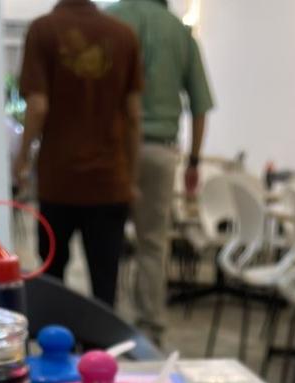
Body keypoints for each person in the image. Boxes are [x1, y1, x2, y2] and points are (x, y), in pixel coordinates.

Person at [14, 0, 143, 308]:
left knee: (53, 280)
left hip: (59, 180)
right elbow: (134, 115)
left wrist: (21, 160)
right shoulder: (124, 35)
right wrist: (131, 178)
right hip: (110, 181)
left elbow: (38, 106)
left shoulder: (43, 30)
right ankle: (101, 353)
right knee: (104, 284)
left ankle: (56, 349)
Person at [111, 0, 214, 344]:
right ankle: (149, 332)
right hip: (159, 150)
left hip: (112, 148)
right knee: (152, 244)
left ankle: (103, 326)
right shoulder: (180, 34)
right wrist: (194, 161)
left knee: (105, 240)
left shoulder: (111, 19)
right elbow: (200, 106)